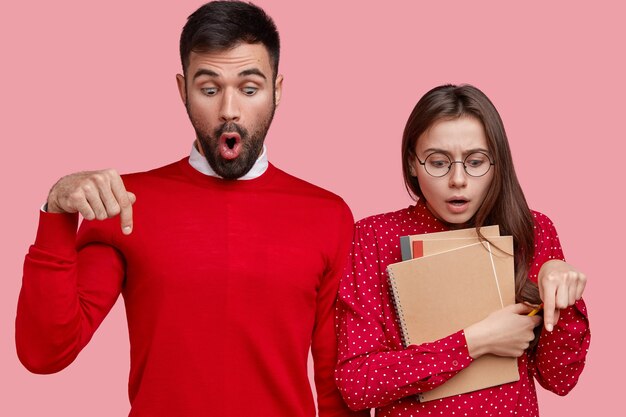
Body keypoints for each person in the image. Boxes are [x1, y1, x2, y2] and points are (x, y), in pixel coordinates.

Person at [15, 2, 368, 416]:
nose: (229, 110)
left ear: (278, 90)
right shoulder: (124, 203)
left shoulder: (328, 215)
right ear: (183, 91)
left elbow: (335, 383)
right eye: (210, 89)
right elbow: (45, 353)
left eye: (250, 89)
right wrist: (56, 212)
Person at [335, 84, 590, 416]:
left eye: (476, 161)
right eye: (438, 162)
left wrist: (563, 296)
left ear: (498, 164)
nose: (458, 179)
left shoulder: (533, 231)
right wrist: (475, 342)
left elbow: (561, 378)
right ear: (413, 163)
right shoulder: (374, 237)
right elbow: (358, 384)